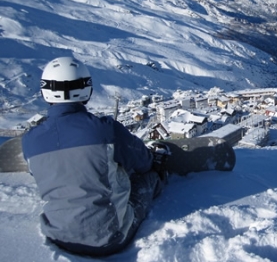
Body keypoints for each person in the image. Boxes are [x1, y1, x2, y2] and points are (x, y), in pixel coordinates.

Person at [22, 57, 168, 257]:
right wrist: (154, 163)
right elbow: (142, 162)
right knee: (148, 178)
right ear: (86, 88)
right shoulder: (104, 130)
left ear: (46, 91)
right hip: (110, 238)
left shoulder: (30, 141)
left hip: (58, 236)